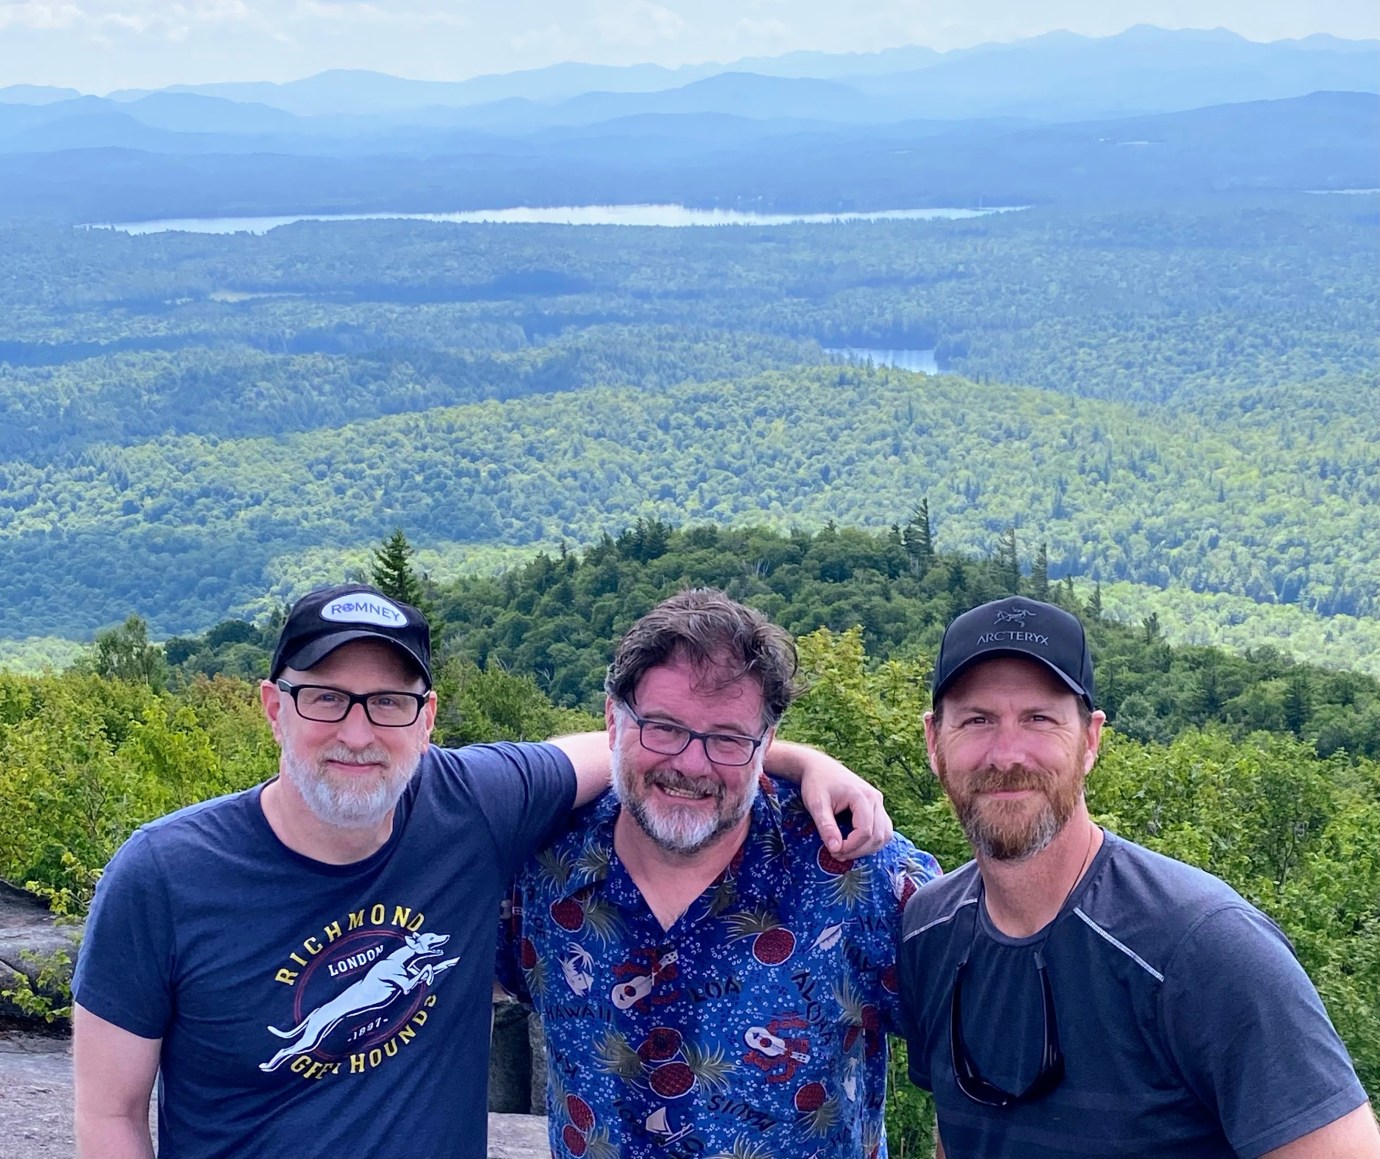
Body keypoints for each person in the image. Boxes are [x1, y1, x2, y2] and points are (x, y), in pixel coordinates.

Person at [71, 582, 890, 1159]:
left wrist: (783, 759)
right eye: (325, 696)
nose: (357, 731)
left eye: (389, 702)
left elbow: (643, 752)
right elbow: (108, 1112)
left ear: (427, 718)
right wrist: (742, 753)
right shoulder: (163, 875)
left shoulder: (470, 809)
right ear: (273, 704)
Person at [898, 595, 1379, 1159]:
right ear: (935, 742)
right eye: (977, 720)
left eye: (1040, 719)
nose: (1008, 754)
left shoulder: (1203, 948)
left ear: (1091, 741)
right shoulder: (927, 933)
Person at [500, 588, 941, 1159]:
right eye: (662, 727)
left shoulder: (854, 870)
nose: (690, 764)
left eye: (727, 740)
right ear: (612, 720)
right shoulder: (541, 863)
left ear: (766, 744)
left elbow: (989, 1022)